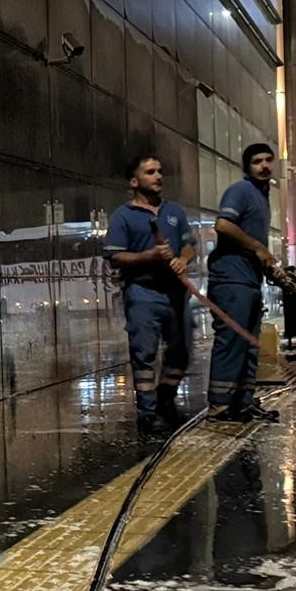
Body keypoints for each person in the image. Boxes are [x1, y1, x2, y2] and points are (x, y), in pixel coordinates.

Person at [104, 154, 195, 437]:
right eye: (150, 172)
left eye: (160, 171)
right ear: (134, 181)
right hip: (143, 294)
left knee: (181, 350)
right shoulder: (123, 217)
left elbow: (190, 244)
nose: (158, 176)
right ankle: (146, 413)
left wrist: (183, 258)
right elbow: (115, 257)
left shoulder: (174, 212)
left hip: (176, 294)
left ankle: (165, 398)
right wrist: (149, 256)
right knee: (144, 355)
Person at [207, 143, 282, 423]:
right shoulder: (240, 191)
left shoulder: (262, 197)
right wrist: (258, 248)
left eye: (268, 160)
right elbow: (224, 225)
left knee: (250, 342)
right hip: (231, 277)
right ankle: (220, 407)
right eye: (256, 161)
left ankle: (243, 402)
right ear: (246, 167)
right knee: (232, 341)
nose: (264, 166)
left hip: (249, 278)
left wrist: (268, 265)